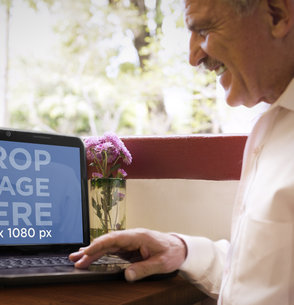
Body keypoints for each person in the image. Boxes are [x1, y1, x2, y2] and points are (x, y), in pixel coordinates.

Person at [69, 0, 294, 304]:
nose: (193, 56)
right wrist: (181, 249)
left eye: (203, 29)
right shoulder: (275, 124)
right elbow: (264, 273)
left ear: (276, 15)